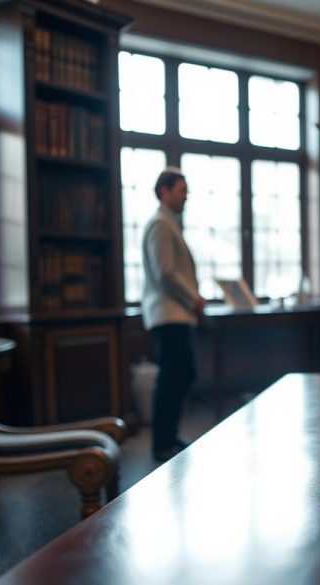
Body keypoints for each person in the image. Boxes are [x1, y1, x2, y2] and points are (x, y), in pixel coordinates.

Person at [141, 167, 204, 462]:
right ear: (164, 191)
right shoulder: (161, 225)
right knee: (173, 377)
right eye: (181, 190)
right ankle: (162, 442)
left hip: (175, 313)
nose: (186, 195)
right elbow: (166, 272)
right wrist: (193, 299)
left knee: (179, 374)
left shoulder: (169, 224)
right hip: (169, 314)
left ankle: (167, 437)